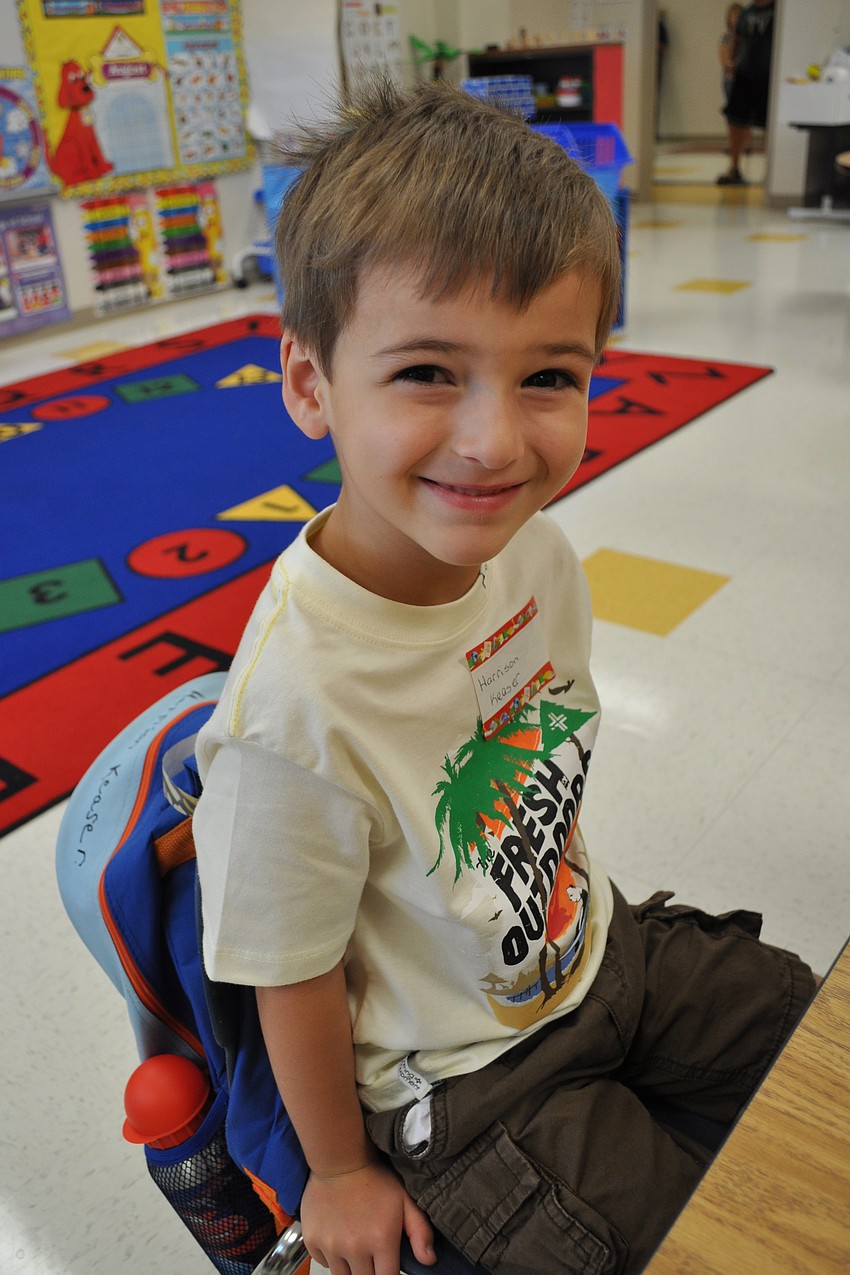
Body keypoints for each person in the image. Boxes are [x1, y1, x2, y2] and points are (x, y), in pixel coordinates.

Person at [193, 77, 816, 1275]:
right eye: (427, 372)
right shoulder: (294, 710)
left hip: (596, 952)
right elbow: (294, 971)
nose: (495, 443)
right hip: (466, 1087)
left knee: (812, 1041)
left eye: (548, 377)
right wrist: (337, 1172)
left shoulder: (533, 551)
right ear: (311, 384)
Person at [718, 0, 775, 185]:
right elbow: (735, 39)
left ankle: (772, 171)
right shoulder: (746, 13)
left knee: (770, 124)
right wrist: (731, 64)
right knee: (735, 120)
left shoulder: (777, 11)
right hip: (744, 74)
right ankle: (734, 167)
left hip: (768, 76)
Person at [719, 2, 743, 104]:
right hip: (731, 78)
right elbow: (724, 59)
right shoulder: (727, 37)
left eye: (738, 16)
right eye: (733, 16)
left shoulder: (747, 36)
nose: (736, 19)